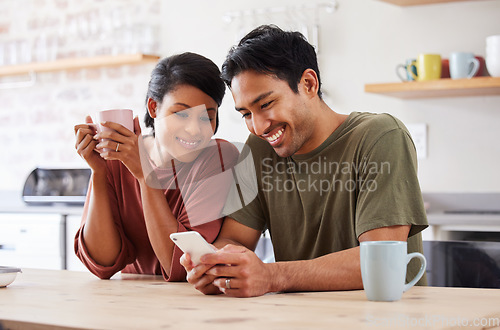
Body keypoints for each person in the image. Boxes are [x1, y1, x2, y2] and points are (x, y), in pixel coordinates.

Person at [180, 25, 429, 297]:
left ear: (309, 84)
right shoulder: (260, 149)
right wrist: (214, 264)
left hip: (385, 317)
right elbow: (235, 239)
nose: (258, 126)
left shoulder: (381, 136)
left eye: (265, 105)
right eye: (246, 114)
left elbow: (381, 260)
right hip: (302, 317)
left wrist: (271, 276)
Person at [73, 52, 239, 281]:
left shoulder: (218, 158)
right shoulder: (119, 158)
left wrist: (144, 174)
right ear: (154, 108)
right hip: (127, 303)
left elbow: (181, 265)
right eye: (181, 114)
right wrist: (99, 172)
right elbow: (102, 263)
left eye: (206, 117)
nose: (194, 129)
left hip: (190, 305)